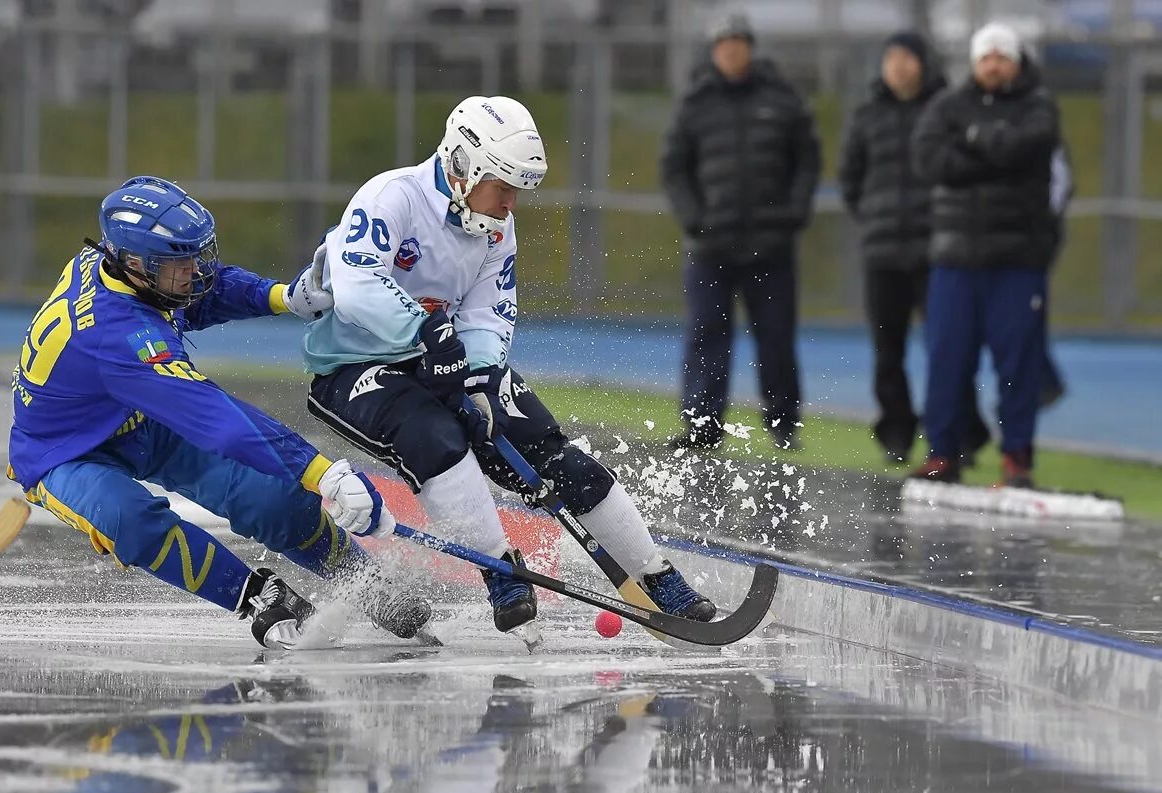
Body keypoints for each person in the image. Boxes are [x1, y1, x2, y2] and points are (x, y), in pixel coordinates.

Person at [302, 96, 717, 640]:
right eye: (503, 187)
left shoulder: (496, 225)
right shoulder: (390, 197)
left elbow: (488, 309)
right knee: (437, 438)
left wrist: (479, 376)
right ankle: (500, 569)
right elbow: (357, 287)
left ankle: (658, 577)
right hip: (354, 365)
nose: (510, 203)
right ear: (464, 166)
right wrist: (424, 331)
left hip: (441, 358)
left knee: (552, 451)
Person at [7, 176, 431, 649]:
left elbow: (201, 295)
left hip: (138, 418)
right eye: (178, 262)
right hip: (67, 452)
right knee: (128, 519)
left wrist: (283, 297)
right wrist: (324, 473)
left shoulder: (125, 272)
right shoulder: (119, 334)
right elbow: (218, 421)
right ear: (133, 263)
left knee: (274, 500)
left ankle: (369, 585)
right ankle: (256, 597)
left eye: (193, 256)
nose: (193, 271)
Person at [660, 11, 821, 450]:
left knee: (775, 338)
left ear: (750, 47)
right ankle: (702, 424)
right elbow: (674, 167)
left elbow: (808, 159)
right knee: (706, 334)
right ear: (715, 52)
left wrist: (794, 211)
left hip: (770, 246)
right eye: (723, 44)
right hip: (710, 246)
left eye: (738, 42)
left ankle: (784, 423)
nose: (731, 51)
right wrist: (694, 216)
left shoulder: (783, 99)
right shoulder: (695, 103)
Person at [910, 23, 1061, 488]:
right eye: (986, 57)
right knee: (947, 359)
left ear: (1016, 62)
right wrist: (995, 151)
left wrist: (971, 139)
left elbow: (1027, 150)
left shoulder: (1038, 106)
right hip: (955, 259)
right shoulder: (946, 106)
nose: (993, 65)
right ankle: (943, 453)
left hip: (1017, 260)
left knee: (1018, 362)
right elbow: (929, 160)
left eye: (1002, 56)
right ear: (974, 63)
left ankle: (1017, 457)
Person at [839, 31, 947, 463]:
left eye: (908, 57)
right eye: (891, 58)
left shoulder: (944, 111)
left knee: (946, 347)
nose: (899, 66)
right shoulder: (868, 115)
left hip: (936, 251)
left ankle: (953, 432)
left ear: (923, 62)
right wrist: (874, 218)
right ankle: (897, 432)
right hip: (883, 251)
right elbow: (850, 179)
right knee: (889, 349)